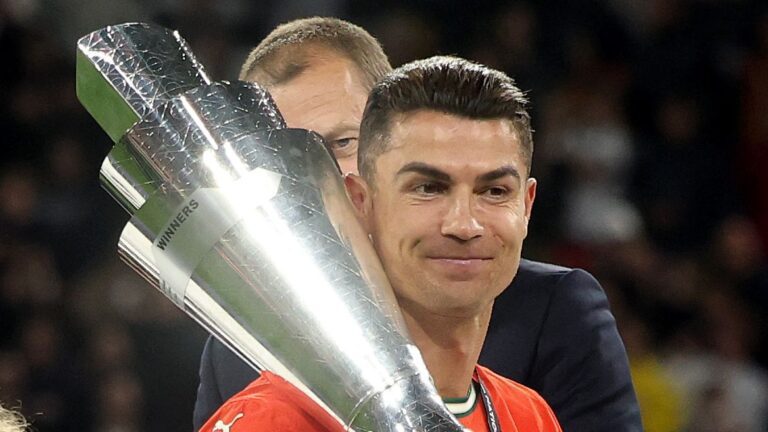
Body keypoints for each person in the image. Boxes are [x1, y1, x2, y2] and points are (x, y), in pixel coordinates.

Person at [194, 17, 642, 432]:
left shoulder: (529, 408)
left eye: (342, 142)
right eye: (429, 187)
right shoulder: (263, 400)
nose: (463, 224)